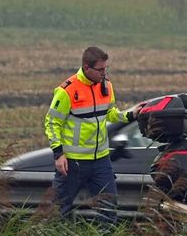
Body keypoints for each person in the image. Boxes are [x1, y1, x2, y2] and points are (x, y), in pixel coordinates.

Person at [44, 46, 134, 222]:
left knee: (109, 209)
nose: (104, 73)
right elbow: (52, 122)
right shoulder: (67, 90)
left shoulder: (107, 85)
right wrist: (58, 154)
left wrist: (130, 115)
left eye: (106, 68)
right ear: (86, 68)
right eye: (100, 69)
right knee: (57, 211)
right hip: (73, 163)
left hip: (101, 160)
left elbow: (110, 113)